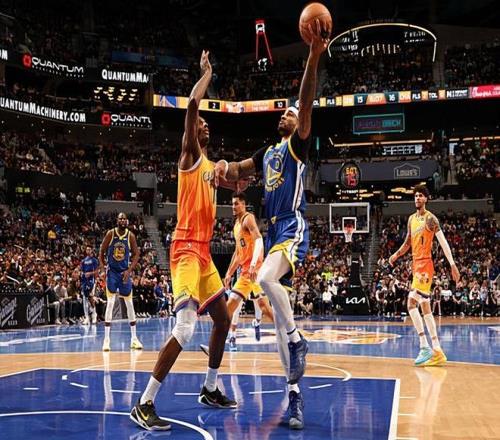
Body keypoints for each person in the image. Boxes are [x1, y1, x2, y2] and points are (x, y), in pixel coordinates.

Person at [212, 21, 331, 430]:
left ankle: (299, 340)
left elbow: (306, 101)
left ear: (299, 124)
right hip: (276, 229)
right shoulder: (266, 154)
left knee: (264, 279)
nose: (286, 113)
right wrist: (221, 167)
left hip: (292, 227)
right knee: (279, 321)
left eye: (291, 113)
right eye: (284, 112)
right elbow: (237, 170)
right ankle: (294, 397)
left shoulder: (297, 146)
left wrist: (313, 55)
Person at [130, 50, 238, 432]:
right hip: (185, 249)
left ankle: (210, 387)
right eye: (199, 123)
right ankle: (144, 402)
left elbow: (235, 177)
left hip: (204, 252)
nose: (203, 125)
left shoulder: (211, 168)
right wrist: (207, 73)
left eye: (207, 124)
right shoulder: (190, 155)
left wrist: (241, 175)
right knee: (187, 328)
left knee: (223, 319)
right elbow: (192, 103)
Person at [389, 184, 460, 366]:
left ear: (426, 199)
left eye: (421, 196)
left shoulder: (431, 219)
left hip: (425, 265)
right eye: (415, 196)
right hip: (416, 265)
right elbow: (407, 243)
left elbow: (443, 242)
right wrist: (396, 255)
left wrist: (452, 264)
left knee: (411, 303)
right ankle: (437, 350)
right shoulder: (411, 219)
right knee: (425, 306)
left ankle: (424, 346)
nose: (417, 198)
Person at [220, 192, 274, 350]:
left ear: (243, 204)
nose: (234, 206)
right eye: (232, 204)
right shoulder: (236, 226)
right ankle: (220, 343)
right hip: (244, 274)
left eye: (236, 203)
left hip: (255, 271)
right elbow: (238, 254)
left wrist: (253, 265)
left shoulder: (248, 218)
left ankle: (290, 336)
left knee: (264, 308)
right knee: (229, 308)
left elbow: (259, 240)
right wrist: (229, 273)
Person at [99, 212, 143, 351]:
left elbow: (136, 254)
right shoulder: (111, 234)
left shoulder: (130, 236)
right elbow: (101, 252)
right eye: (120, 218)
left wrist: (129, 271)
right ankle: (106, 340)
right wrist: (103, 269)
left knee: (130, 304)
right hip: (112, 272)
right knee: (110, 303)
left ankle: (134, 339)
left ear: (127, 221)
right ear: (117, 220)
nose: (122, 220)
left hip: (124, 273)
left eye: (124, 219)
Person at [80, 245, 99, 325]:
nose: (88, 251)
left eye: (89, 249)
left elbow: (97, 271)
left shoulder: (94, 260)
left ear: (91, 250)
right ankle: (87, 317)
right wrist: (82, 274)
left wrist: (90, 273)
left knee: (91, 297)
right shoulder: (83, 261)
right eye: (87, 249)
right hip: (84, 281)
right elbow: (82, 271)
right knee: (85, 298)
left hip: (91, 281)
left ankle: (94, 314)